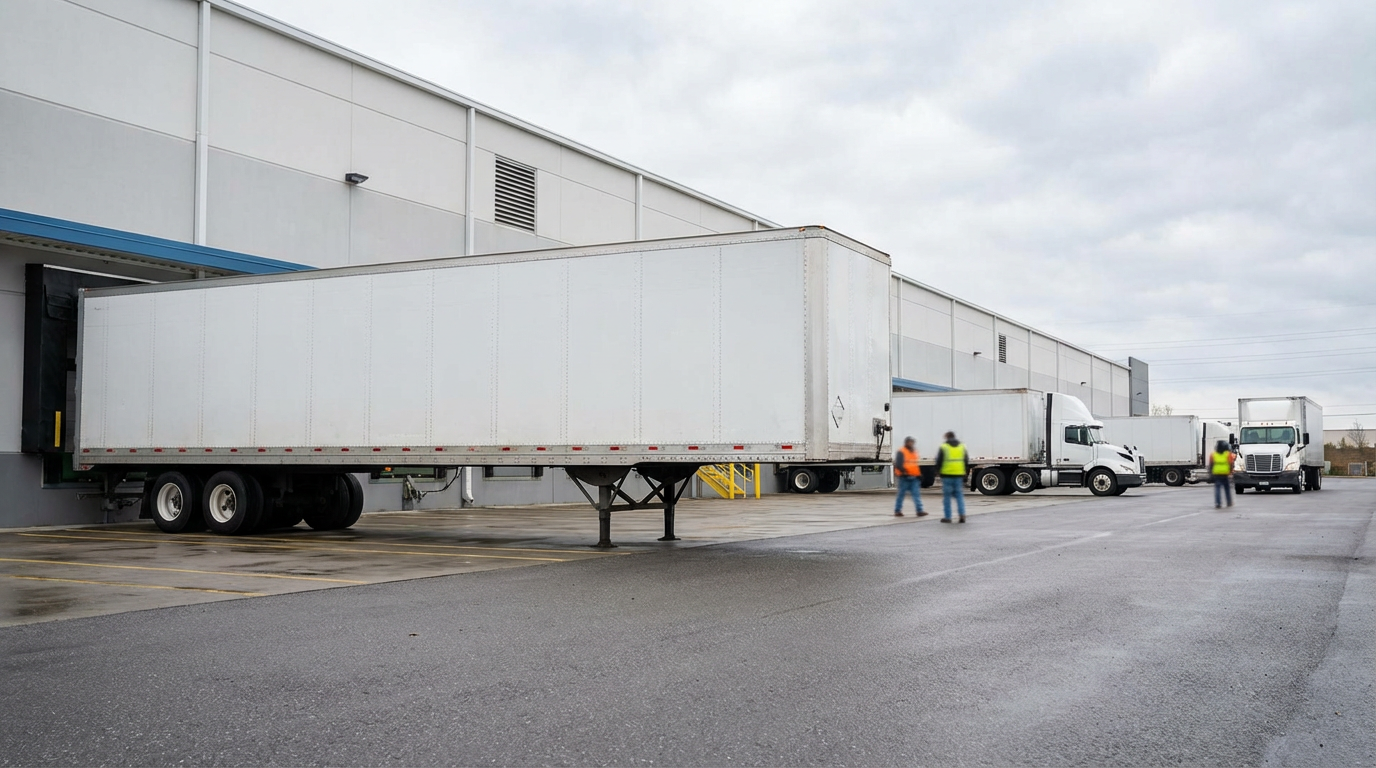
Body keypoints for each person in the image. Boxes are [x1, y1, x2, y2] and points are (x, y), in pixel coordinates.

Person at [936, 431, 968, 523]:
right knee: (959, 496)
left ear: (947, 437)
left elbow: (939, 460)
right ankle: (962, 514)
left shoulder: (944, 447)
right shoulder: (962, 446)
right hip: (958, 474)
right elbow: (966, 460)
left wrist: (938, 471)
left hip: (947, 475)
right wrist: (965, 471)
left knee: (947, 497)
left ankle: (948, 517)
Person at [893, 436, 927, 517]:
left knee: (916, 494)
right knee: (901, 494)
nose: (911, 444)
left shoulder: (914, 452)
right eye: (910, 442)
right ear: (906, 442)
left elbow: (915, 465)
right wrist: (904, 471)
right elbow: (898, 464)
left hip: (914, 477)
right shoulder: (901, 451)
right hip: (904, 477)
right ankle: (897, 511)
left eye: (912, 442)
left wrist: (919, 475)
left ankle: (920, 510)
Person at [1211, 439, 1235, 509]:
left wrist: (1211, 474)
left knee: (1217, 488)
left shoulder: (1213, 455)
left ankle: (1218, 503)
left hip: (1217, 473)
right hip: (1225, 473)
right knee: (1227, 488)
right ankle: (1229, 502)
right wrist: (1231, 472)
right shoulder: (1228, 454)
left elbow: (1211, 465)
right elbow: (1231, 464)